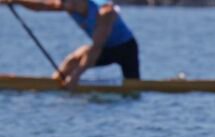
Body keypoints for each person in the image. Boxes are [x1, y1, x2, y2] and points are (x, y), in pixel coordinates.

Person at [1, 0, 140, 89]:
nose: (62, 4)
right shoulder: (70, 5)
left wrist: (77, 76)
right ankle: (54, 83)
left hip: (125, 49)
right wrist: (16, 1)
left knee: (134, 86)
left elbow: (96, 47)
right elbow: (41, 6)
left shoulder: (105, 12)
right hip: (103, 48)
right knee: (73, 59)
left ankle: (147, 85)